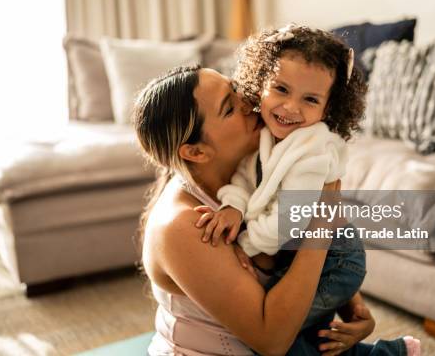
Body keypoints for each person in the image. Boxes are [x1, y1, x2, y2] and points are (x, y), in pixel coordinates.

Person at [133, 64, 415, 355]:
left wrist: (352, 305)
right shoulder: (183, 226)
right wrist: (323, 216)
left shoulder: (258, 166)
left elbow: (302, 248)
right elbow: (272, 340)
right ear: (196, 152)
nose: (249, 101)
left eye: (236, 89)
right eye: (229, 108)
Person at [192, 24, 420, 356]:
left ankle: (387, 354)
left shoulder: (314, 150)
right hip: (297, 253)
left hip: (336, 259)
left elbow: (291, 220)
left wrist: (246, 244)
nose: (291, 108)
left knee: (282, 336)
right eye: (281, 89)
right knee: (315, 336)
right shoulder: (268, 134)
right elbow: (245, 177)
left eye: (310, 99)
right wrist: (234, 207)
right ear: (261, 84)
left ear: (327, 109)